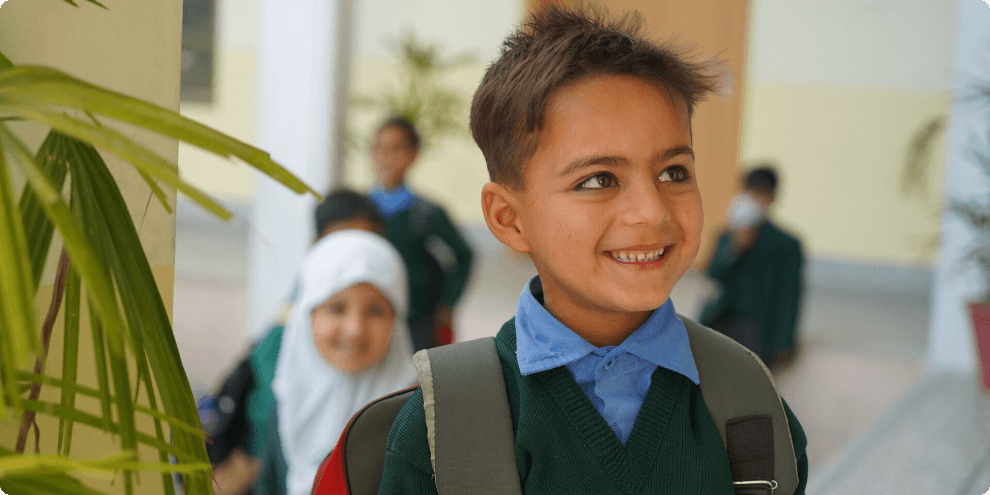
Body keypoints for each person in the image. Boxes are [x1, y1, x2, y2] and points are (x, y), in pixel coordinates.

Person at [377, 4, 808, 493]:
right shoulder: (445, 429)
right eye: (599, 179)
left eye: (673, 172)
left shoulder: (748, 405)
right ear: (508, 219)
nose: (652, 211)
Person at [204, 190, 387, 495]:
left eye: (368, 243)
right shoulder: (293, 323)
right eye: (336, 308)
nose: (355, 254)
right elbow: (267, 407)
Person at [269, 230, 418, 495]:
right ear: (308, 314)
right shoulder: (282, 401)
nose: (354, 330)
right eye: (337, 308)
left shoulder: (415, 417)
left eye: (375, 311)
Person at [369, 116, 475, 351]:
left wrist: (447, 305)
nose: (385, 157)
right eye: (378, 148)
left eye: (396, 149)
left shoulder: (426, 214)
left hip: (417, 323)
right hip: (370, 319)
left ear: (413, 154)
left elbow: (464, 255)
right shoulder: (361, 211)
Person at [699, 166, 805, 368]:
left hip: (757, 329)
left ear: (772, 197)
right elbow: (712, 274)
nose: (753, 200)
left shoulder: (786, 245)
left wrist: (784, 343)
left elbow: (790, 296)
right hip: (721, 320)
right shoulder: (727, 236)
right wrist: (734, 249)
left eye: (760, 193)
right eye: (749, 192)